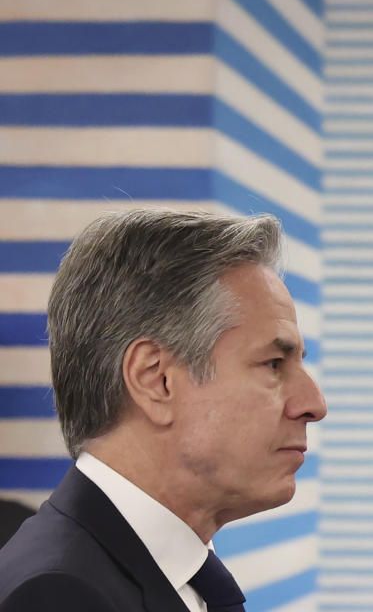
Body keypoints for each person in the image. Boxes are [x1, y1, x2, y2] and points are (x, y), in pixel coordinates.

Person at [0, 210, 326, 611]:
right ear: (155, 379)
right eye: (274, 364)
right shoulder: (58, 596)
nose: (314, 405)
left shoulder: (172, 577)